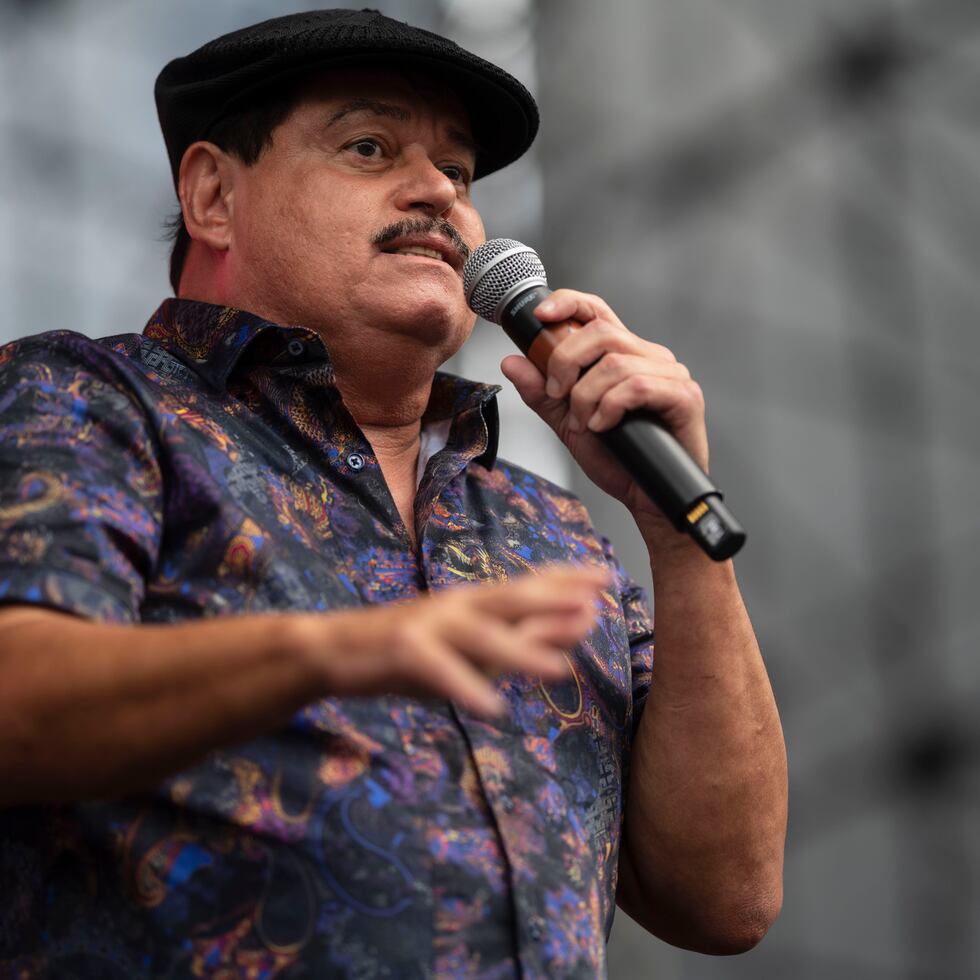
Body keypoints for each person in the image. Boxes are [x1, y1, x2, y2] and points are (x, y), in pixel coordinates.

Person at [0, 9, 787, 978]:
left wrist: (676, 541)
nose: (437, 195)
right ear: (211, 195)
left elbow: (726, 894)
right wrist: (337, 645)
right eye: (369, 147)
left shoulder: (550, 530)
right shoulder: (86, 398)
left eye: (458, 173)